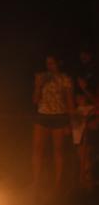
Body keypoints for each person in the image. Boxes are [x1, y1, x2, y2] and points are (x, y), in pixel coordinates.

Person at [32, 54, 74, 192]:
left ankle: (58, 183)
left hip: (59, 116)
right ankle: (36, 181)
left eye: (52, 63)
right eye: (47, 63)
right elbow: (35, 100)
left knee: (58, 150)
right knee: (38, 149)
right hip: (42, 115)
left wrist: (69, 122)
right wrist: (38, 86)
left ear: (58, 63)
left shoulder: (65, 79)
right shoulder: (40, 77)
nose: (49, 66)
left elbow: (69, 101)